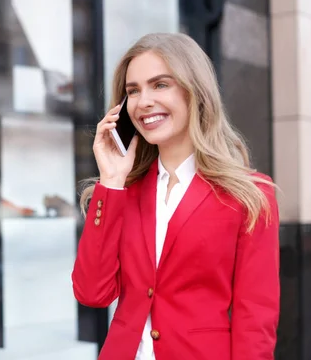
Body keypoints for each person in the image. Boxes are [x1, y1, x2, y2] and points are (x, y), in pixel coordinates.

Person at [71, 32, 280, 360]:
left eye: (160, 84)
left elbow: (255, 317)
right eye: (133, 91)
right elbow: (92, 293)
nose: (144, 102)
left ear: (194, 90)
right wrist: (111, 180)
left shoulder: (249, 195)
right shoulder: (120, 192)